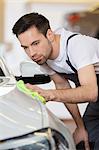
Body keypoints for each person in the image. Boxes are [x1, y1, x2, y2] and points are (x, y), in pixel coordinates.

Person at [12, 12, 99, 150]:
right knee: (86, 138)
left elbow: (91, 92)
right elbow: (62, 86)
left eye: (35, 43)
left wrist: (50, 94)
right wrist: (80, 127)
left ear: (50, 35)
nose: (32, 53)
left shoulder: (76, 46)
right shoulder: (42, 57)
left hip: (94, 90)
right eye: (26, 47)